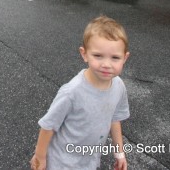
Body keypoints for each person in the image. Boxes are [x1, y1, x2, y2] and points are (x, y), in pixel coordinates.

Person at [31, 15, 130, 170]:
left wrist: (120, 153)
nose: (106, 64)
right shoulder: (72, 92)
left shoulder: (118, 86)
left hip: (88, 161)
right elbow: (48, 125)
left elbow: (115, 118)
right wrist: (40, 156)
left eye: (115, 58)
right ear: (84, 54)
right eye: (98, 55)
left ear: (125, 58)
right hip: (62, 163)